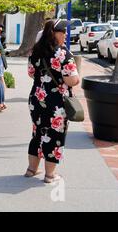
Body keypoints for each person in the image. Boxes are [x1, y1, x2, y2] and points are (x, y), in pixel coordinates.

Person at [25, 20, 80, 183]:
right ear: (54, 33)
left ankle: (31, 170)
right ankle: (50, 175)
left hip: (36, 98)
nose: (66, 35)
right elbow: (71, 80)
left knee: (38, 133)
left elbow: (30, 73)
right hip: (56, 102)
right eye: (63, 32)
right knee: (54, 136)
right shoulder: (63, 53)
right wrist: (76, 80)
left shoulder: (35, 51)